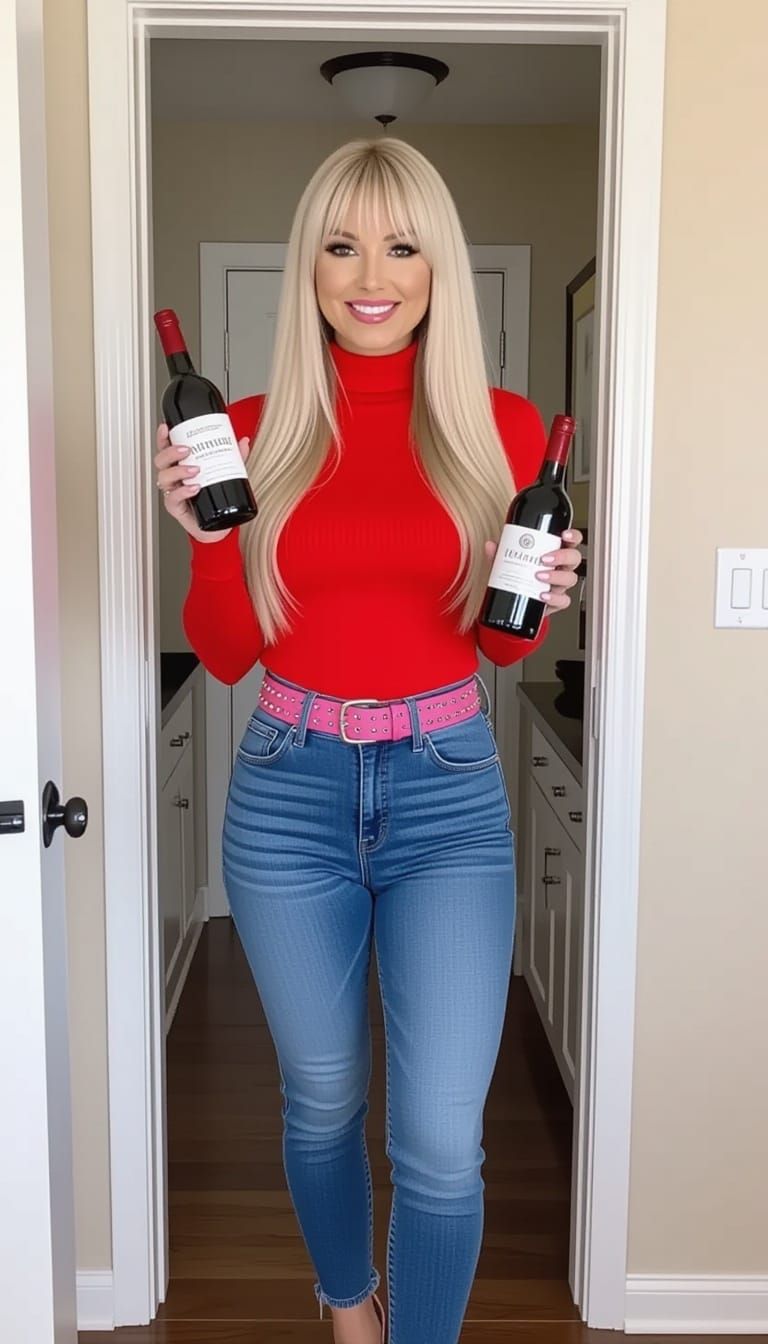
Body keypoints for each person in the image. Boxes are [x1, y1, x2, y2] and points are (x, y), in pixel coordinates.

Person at [154, 137, 583, 1344]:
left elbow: (492, 645)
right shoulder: (245, 431)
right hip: (287, 790)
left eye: (402, 245)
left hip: (447, 795)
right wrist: (208, 543)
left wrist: (541, 597)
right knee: (323, 1098)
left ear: (439, 266)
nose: (373, 275)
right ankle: (349, 1306)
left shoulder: (499, 430)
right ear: (310, 267)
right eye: (342, 246)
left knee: (441, 1134)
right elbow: (228, 654)